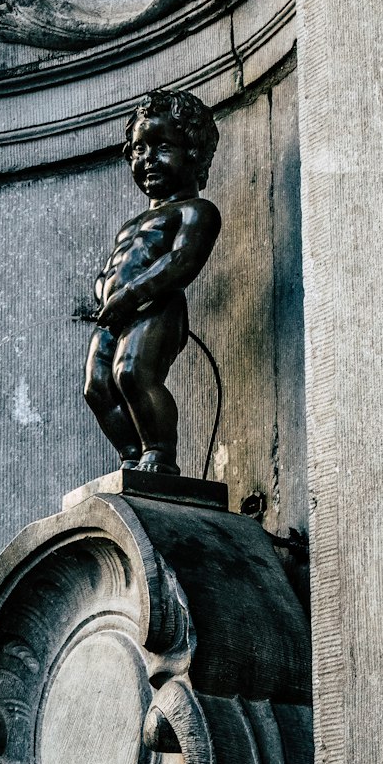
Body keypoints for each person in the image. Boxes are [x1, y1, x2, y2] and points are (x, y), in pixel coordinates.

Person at [83, 88, 221, 475]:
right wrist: (102, 291)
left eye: (161, 146)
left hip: (158, 307)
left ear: (193, 153)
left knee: (132, 373)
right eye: (139, 149)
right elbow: (113, 266)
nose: (147, 159)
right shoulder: (130, 224)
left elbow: (182, 261)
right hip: (116, 313)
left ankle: (159, 453)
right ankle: (131, 456)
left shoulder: (196, 211)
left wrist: (129, 295)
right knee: (96, 386)